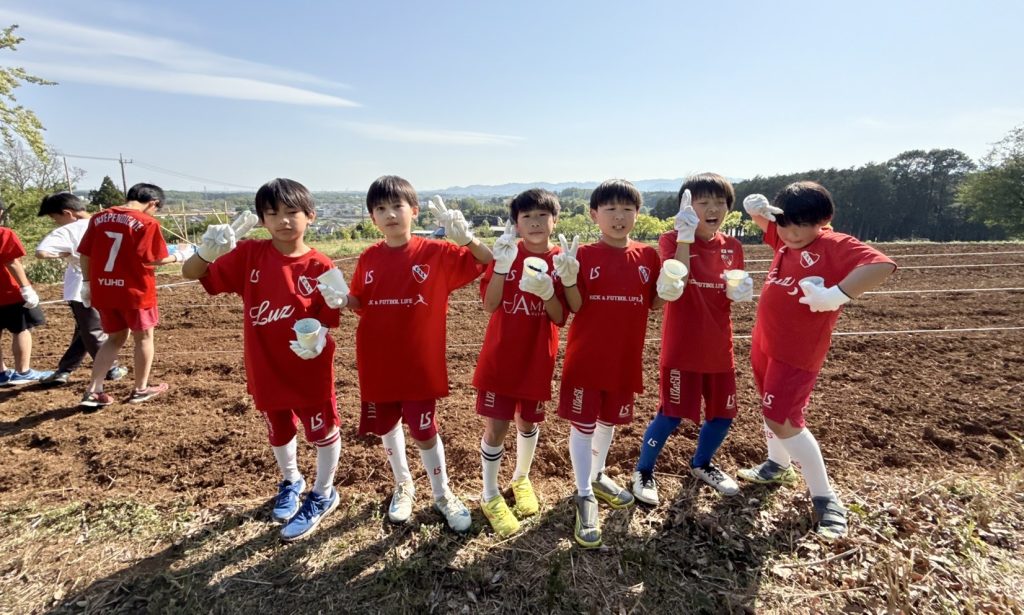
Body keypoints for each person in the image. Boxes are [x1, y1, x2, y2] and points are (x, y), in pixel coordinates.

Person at [322, 175, 492, 533]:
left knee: (424, 428)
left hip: (419, 361)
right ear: (372, 217)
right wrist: (342, 299)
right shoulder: (369, 257)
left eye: (397, 206)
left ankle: (442, 493)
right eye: (380, 208)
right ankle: (404, 485)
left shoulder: (436, 253)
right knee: (387, 426)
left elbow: (485, 261)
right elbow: (361, 302)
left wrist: (467, 238)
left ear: (413, 210)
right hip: (378, 359)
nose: (390, 214)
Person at [182, 178, 343, 542]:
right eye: (272, 213)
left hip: (309, 368)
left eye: (292, 212)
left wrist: (320, 336)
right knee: (279, 428)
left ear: (311, 216)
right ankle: (291, 480)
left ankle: (323, 493)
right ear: (261, 219)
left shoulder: (320, 264)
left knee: (322, 430)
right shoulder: (250, 255)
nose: (283, 220)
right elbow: (191, 273)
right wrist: (206, 252)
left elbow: (331, 316)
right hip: (265, 365)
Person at [738, 181, 896, 540]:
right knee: (770, 408)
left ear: (822, 221)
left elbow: (881, 265)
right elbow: (770, 224)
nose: (792, 233)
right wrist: (756, 211)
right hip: (766, 343)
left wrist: (837, 294)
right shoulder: (785, 238)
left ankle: (826, 499)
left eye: (803, 225)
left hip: (797, 351)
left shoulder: (832, 244)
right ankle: (777, 465)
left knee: (783, 419)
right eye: (785, 223)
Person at [554, 179, 684, 548]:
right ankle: (583, 494)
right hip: (587, 358)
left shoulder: (647, 256)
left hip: (625, 358)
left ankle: (597, 475)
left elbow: (653, 303)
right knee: (584, 425)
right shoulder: (583, 255)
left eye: (627, 209)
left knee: (608, 421)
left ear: (637, 214)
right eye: (610, 209)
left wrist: (668, 292)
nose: (619, 216)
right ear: (594, 214)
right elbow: (575, 306)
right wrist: (568, 279)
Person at [631, 173, 754, 506]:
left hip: (720, 347)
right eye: (703, 202)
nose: (712, 209)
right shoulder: (671, 240)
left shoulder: (732, 247)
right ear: (688, 207)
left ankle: (702, 463)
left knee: (723, 415)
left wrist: (739, 291)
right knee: (670, 414)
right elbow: (677, 282)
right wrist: (685, 239)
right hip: (682, 347)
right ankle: (643, 470)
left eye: (720, 202)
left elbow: (729, 290)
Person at [473, 189, 567, 537]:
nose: (536, 222)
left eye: (543, 215)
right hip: (500, 358)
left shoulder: (562, 260)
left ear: (555, 220)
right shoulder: (507, 253)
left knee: (528, 422)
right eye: (527, 216)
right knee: (496, 427)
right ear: (516, 223)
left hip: (537, 358)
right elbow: (489, 304)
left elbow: (560, 317)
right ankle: (489, 494)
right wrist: (500, 267)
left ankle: (521, 478)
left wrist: (548, 292)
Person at [77, 183, 188, 407]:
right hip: (136, 292)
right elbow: (152, 259)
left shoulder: (98, 218)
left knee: (114, 338)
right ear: (153, 203)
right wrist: (180, 256)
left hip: (105, 289)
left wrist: (87, 283)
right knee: (144, 338)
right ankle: (141, 389)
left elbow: (85, 253)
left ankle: (94, 390)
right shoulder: (147, 222)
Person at [34, 192, 128, 386]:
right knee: (85, 329)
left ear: (67, 213)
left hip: (81, 286)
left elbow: (41, 252)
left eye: (55, 218)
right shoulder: (106, 222)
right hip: (112, 283)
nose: (56, 223)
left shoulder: (69, 230)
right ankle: (65, 370)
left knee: (90, 329)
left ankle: (109, 369)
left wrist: (66, 254)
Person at [0, 199, 52, 386]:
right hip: (9, 292)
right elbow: (12, 262)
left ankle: (1, 373)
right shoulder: (4, 233)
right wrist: (26, 287)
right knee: (21, 329)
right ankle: (23, 371)